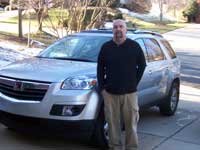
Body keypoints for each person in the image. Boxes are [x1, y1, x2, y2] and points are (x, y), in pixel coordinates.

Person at [97, 19, 146, 150]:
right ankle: (115, 147)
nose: (118, 29)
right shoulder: (106, 47)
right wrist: (102, 88)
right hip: (110, 94)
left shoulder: (134, 46)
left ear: (126, 29)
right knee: (113, 124)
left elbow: (142, 65)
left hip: (130, 93)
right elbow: (100, 68)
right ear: (112, 30)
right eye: (115, 27)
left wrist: (133, 82)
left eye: (121, 27)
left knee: (131, 125)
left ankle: (132, 147)